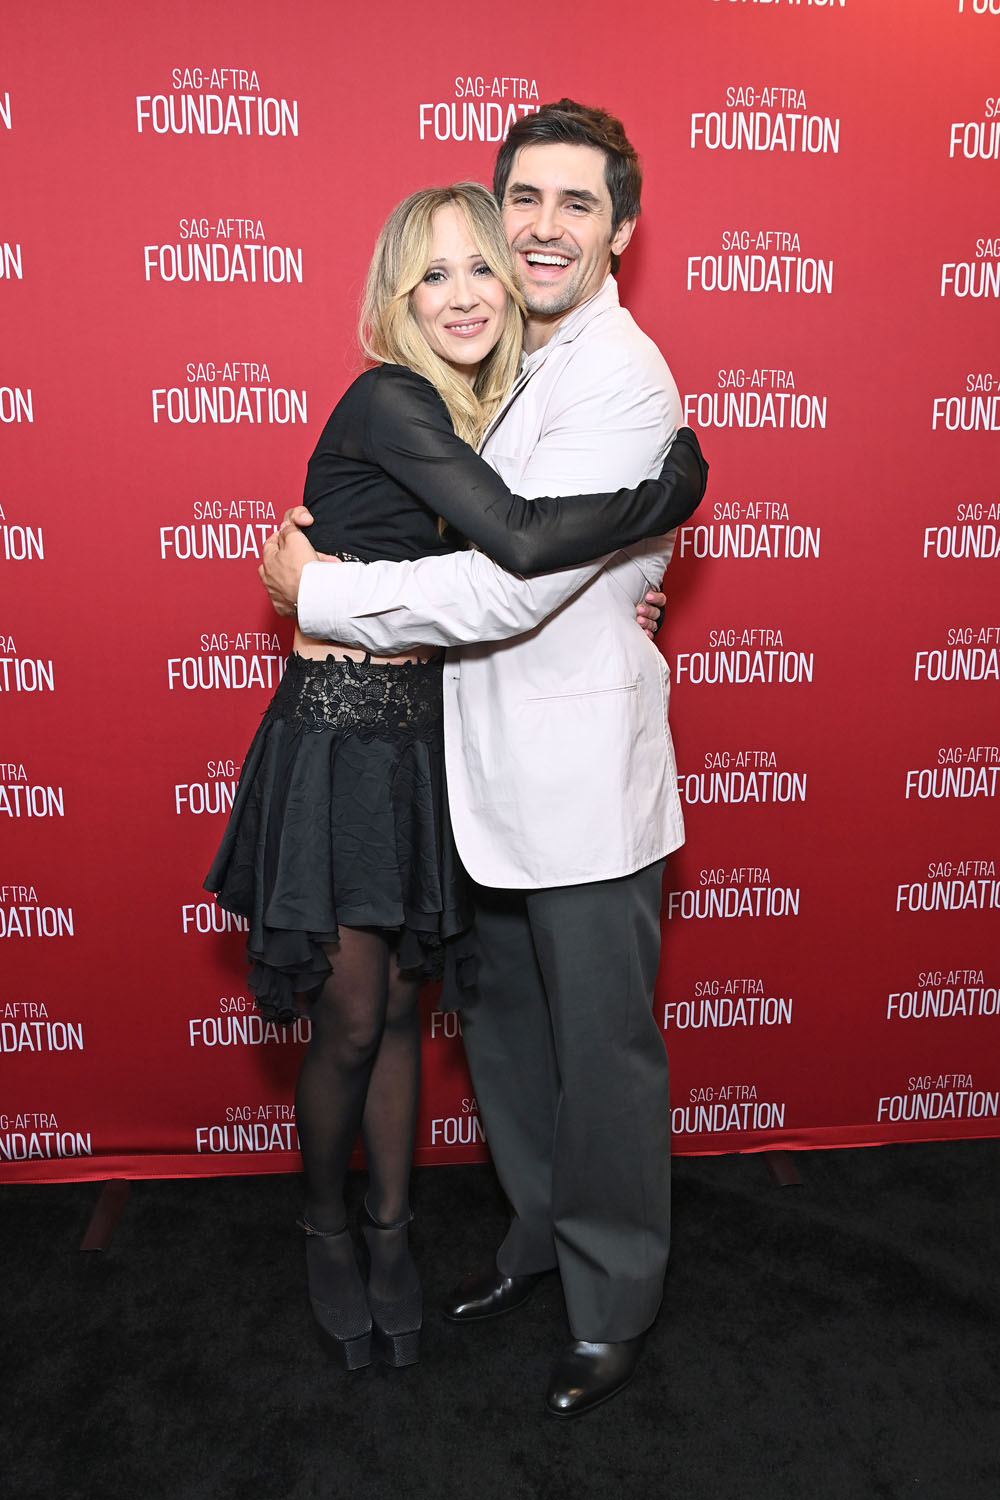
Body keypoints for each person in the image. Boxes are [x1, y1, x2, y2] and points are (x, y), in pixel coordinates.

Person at [207, 178, 707, 1376]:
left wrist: (640, 563)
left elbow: (523, 560)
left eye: (481, 265)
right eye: (433, 274)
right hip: (340, 741)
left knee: (398, 1020)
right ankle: (329, 1231)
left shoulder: (487, 406)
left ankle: (392, 1238)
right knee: (352, 1021)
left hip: (428, 747)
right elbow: (524, 541)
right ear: (396, 296)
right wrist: (669, 492)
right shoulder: (393, 399)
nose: (466, 292)